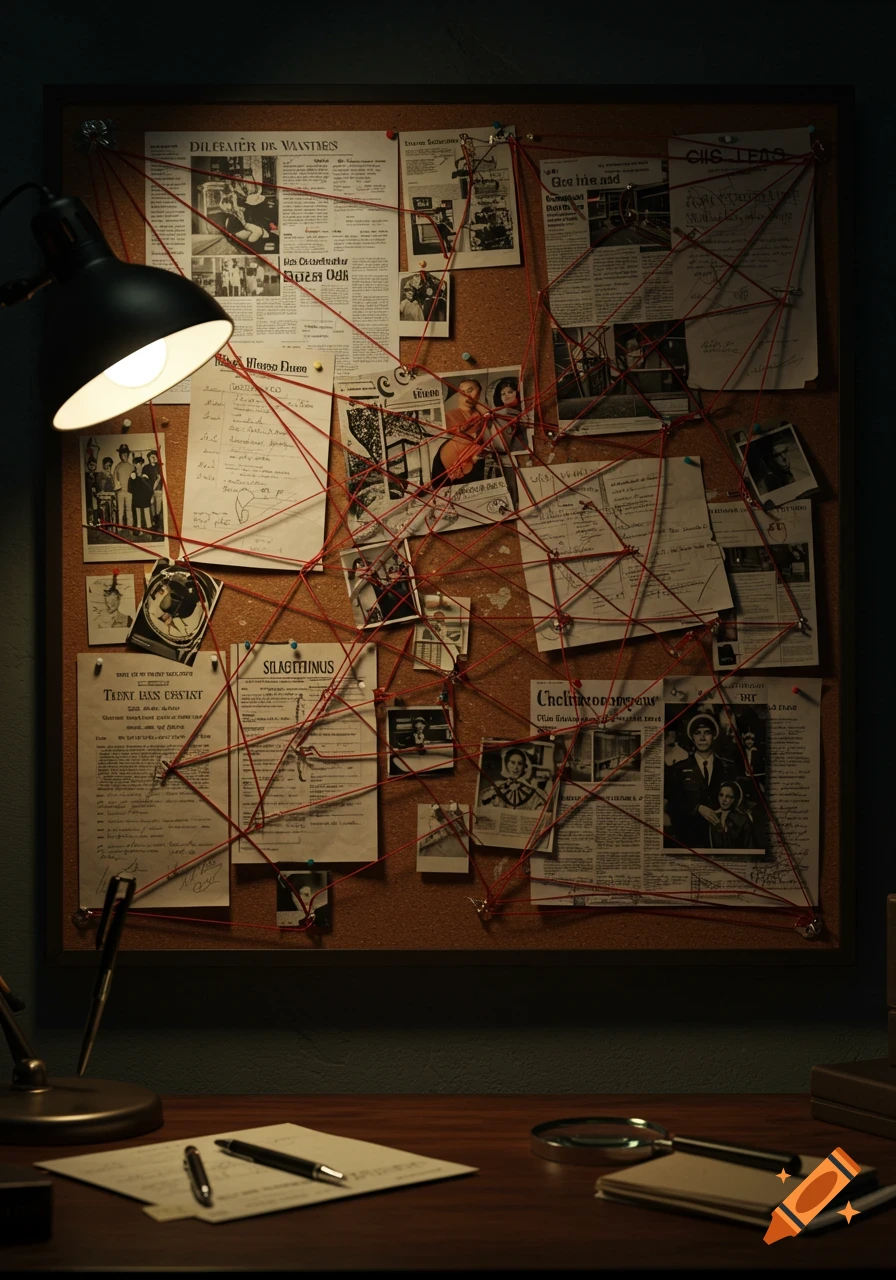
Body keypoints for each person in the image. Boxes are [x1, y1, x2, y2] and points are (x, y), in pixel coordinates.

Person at [664, 713, 738, 849]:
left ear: (714, 736)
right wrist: (697, 808)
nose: (702, 738)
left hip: (722, 839)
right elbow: (672, 804)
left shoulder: (728, 767)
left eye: (707, 733)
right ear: (692, 738)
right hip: (689, 838)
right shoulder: (678, 769)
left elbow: (737, 801)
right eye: (697, 733)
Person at [430, 379, 490, 485]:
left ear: (479, 392)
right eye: (462, 392)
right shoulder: (450, 415)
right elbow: (457, 433)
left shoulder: (483, 413)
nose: (466, 395)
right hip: (451, 459)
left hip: (476, 459)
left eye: (470, 390)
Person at [479, 747, 547, 810]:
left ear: (524, 766)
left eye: (520, 764)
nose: (515, 768)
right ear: (506, 764)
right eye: (512, 763)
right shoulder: (496, 788)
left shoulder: (533, 791)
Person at [708, 781, 755, 850]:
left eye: (728, 797)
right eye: (721, 795)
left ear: (735, 799)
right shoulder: (711, 815)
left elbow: (750, 846)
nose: (723, 800)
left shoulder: (743, 819)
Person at [128, 456, 154, 536]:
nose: (140, 466)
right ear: (135, 465)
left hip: (145, 498)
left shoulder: (145, 475)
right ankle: (140, 530)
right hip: (137, 498)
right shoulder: (132, 475)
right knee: (138, 515)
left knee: (147, 514)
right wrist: (134, 479)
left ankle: (149, 530)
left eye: (141, 464)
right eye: (138, 464)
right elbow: (130, 489)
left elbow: (150, 488)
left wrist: (151, 497)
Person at [113, 443, 133, 528]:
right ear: (120, 455)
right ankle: (120, 527)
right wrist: (117, 489)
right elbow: (115, 479)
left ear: (128, 455)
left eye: (126, 454)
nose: (124, 455)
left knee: (129, 509)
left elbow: (134, 480)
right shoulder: (117, 467)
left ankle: (130, 526)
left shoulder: (131, 467)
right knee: (120, 510)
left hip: (129, 492)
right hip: (120, 492)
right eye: (122, 454)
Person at [144, 449, 163, 530]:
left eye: (154, 457)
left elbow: (159, 479)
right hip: (149, 491)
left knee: (158, 508)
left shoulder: (159, 467)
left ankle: (157, 524)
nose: (153, 458)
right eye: (151, 457)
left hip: (158, 491)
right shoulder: (146, 468)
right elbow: (144, 480)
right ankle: (153, 524)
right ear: (149, 458)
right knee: (151, 507)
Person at [95, 456, 116, 525]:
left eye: (110, 465)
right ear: (103, 465)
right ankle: (103, 526)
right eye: (106, 465)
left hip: (110, 497)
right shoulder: (100, 474)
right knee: (103, 512)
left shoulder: (111, 475)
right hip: (102, 498)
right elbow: (100, 485)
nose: (108, 467)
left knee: (111, 512)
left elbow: (113, 486)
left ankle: (110, 525)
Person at [84, 457, 99, 525]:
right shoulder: (85, 475)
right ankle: (90, 521)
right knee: (89, 507)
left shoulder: (97, 475)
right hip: (88, 495)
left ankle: (96, 521)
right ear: (88, 465)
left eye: (94, 464)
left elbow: (99, 485)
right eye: (91, 464)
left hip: (96, 495)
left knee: (96, 507)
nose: (92, 466)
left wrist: (96, 490)